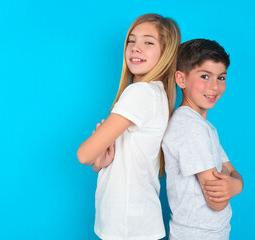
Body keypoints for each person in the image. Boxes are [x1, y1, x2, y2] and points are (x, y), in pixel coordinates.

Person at [77, 13, 181, 240]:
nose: (135, 48)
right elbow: (100, 161)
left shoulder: (141, 93)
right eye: (131, 41)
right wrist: (100, 162)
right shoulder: (155, 94)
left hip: (128, 223)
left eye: (148, 42)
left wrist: (93, 156)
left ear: (166, 53)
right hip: (132, 220)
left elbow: (84, 155)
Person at [162, 39, 244, 240]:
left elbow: (231, 171)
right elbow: (217, 201)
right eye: (205, 76)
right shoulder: (190, 127)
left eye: (221, 77)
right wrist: (235, 184)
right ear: (181, 79)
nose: (214, 86)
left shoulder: (203, 126)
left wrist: (235, 184)